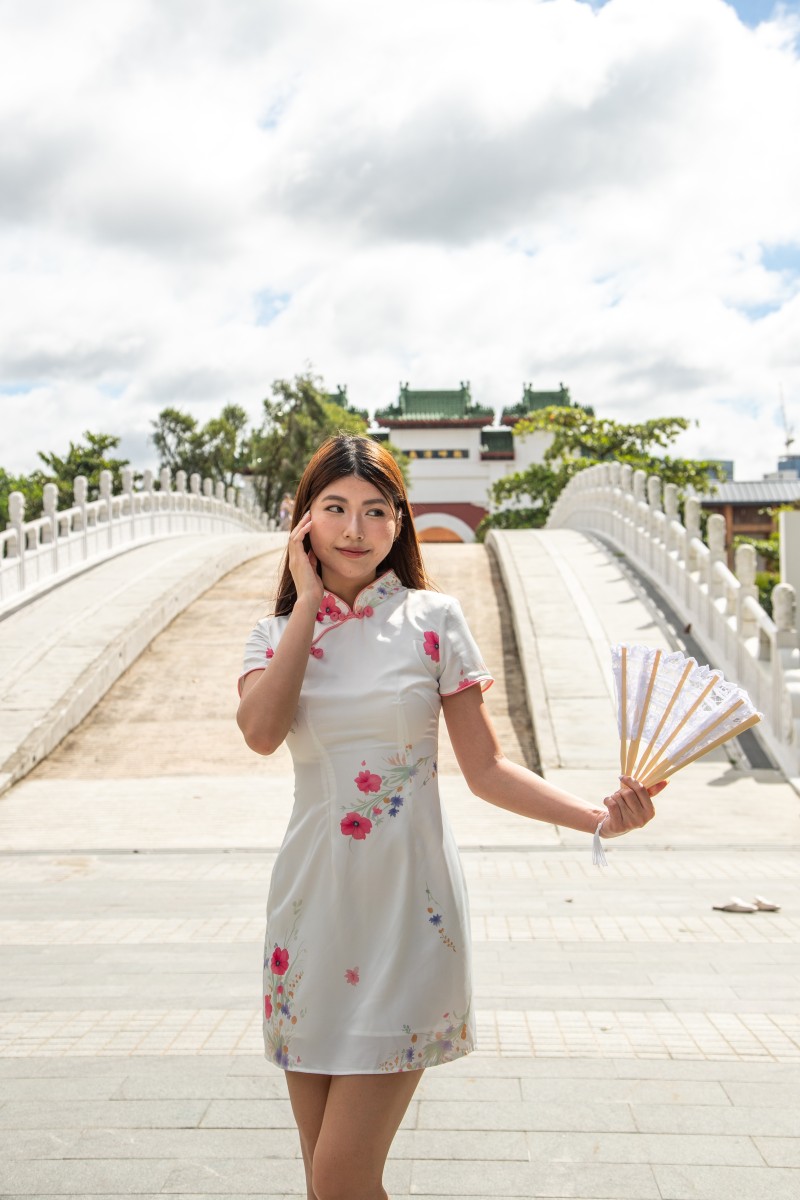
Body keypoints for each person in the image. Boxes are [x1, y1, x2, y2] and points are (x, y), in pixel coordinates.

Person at [236, 434, 664, 1200]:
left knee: (341, 1175)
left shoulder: (434, 620)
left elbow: (487, 768)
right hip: (308, 918)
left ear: (400, 522)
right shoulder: (273, 636)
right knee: (323, 1182)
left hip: (409, 914)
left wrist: (598, 817)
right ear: (303, 522)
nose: (355, 529)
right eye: (335, 508)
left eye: (376, 510)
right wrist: (305, 603)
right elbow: (262, 733)